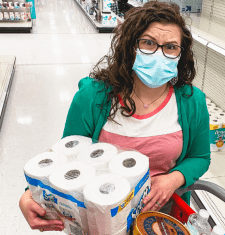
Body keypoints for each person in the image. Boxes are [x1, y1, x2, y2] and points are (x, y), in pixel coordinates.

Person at [19, 1, 210, 232]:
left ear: (181, 54)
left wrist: (175, 178)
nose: (160, 54)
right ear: (130, 46)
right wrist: (30, 194)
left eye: (170, 47)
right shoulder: (93, 96)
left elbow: (200, 157)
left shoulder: (192, 101)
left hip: (160, 220)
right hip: (99, 220)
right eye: (148, 43)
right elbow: (66, 157)